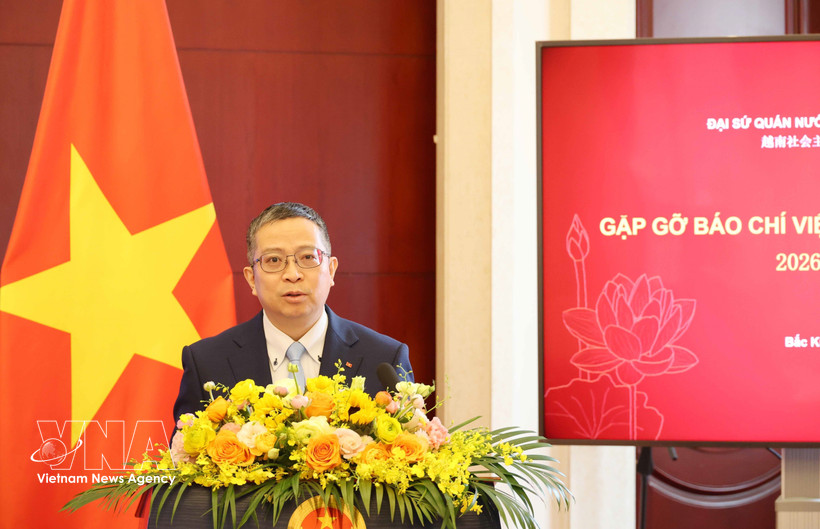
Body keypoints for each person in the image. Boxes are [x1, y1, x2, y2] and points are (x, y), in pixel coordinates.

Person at [172, 202, 413, 421]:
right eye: (274, 260)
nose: (292, 274)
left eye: (308, 257)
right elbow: (185, 459)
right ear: (251, 279)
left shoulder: (385, 358)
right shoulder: (207, 362)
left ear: (331, 270)